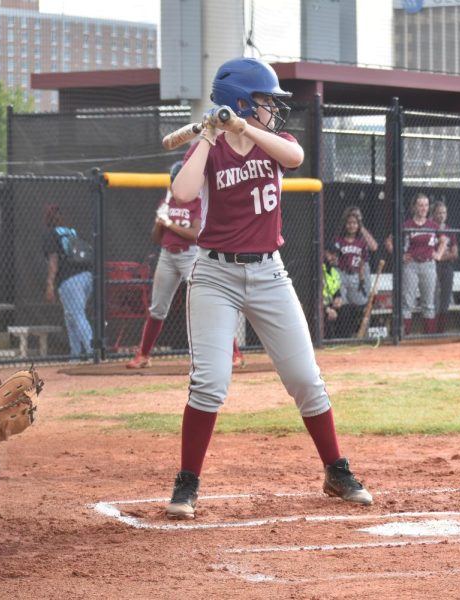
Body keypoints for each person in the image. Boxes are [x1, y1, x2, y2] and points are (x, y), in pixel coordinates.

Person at [165, 56, 372, 519]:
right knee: (210, 384)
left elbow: (294, 157)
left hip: (269, 273)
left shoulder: (276, 143)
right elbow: (182, 193)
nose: (273, 109)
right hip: (215, 276)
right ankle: (187, 484)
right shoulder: (210, 150)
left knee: (306, 379)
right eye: (263, 102)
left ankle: (336, 471)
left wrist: (244, 126)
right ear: (239, 100)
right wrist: (207, 135)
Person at [126, 161, 244, 369]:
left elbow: (195, 234)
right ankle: (143, 354)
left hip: (190, 255)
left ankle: (235, 353)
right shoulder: (167, 202)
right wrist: (159, 221)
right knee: (157, 308)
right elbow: (156, 237)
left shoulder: (198, 202)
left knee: (209, 304)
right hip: (167, 255)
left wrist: (170, 224)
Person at [385, 194, 446, 335]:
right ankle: (405, 335)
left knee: (428, 303)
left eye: (425, 205)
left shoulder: (432, 225)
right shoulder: (406, 225)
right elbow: (389, 242)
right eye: (420, 205)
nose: (423, 208)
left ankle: (428, 336)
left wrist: (438, 255)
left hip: (428, 265)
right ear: (414, 207)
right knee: (407, 302)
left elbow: (443, 240)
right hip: (411, 265)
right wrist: (400, 255)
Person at [43, 204, 93, 359]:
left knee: (76, 315)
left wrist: (50, 284)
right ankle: (75, 354)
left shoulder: (51, 234)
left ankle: (93, 352)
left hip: (69, 279)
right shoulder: (72, 231)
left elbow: (53, 260)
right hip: (87, 276)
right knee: (70, 316)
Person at [332, 206, 378, 318]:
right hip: (342, 272)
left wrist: (360, 226)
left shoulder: (362, 238)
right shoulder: (339, 238)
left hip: (357, 272)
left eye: (356, 220)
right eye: (349, 222)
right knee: (342, 304)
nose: (352, 225)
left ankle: (359, 330)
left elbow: (374, 247)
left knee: (360, 302)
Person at [431, 201, 458, 333]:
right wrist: (442, 254)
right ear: (434, 214)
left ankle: (441, 330)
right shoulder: (430, 228)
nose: (442, 216)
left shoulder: (449, 230)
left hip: (447, 267)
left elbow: (455, 253)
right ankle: (432, 330)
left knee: (445, 298)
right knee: (434, 297)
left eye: (444, 213)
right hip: (433, 267)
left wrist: (440, 255)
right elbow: (428, 253)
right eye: (439, 213)